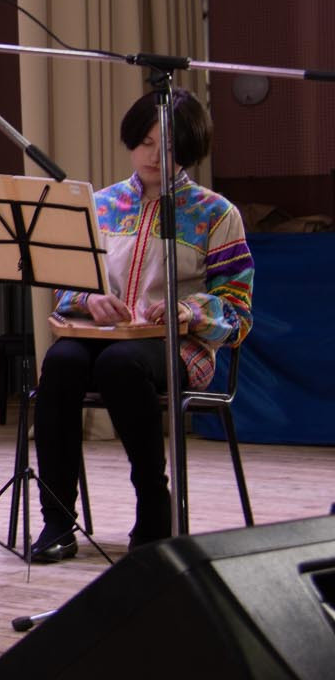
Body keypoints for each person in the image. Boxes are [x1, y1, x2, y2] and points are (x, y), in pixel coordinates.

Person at [31, 90, 254, 559]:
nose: (155, 155)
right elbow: (65, 288)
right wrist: (87, 299)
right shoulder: (102, 204)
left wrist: (188, 311)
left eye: (170, 146)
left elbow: (237, 309)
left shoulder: (216, 214)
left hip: (178, 347)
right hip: (101, 337)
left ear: (189, 150)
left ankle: (154, 504)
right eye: (146, 142)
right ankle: (56, 521)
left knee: (121, 365)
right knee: (61, 362)